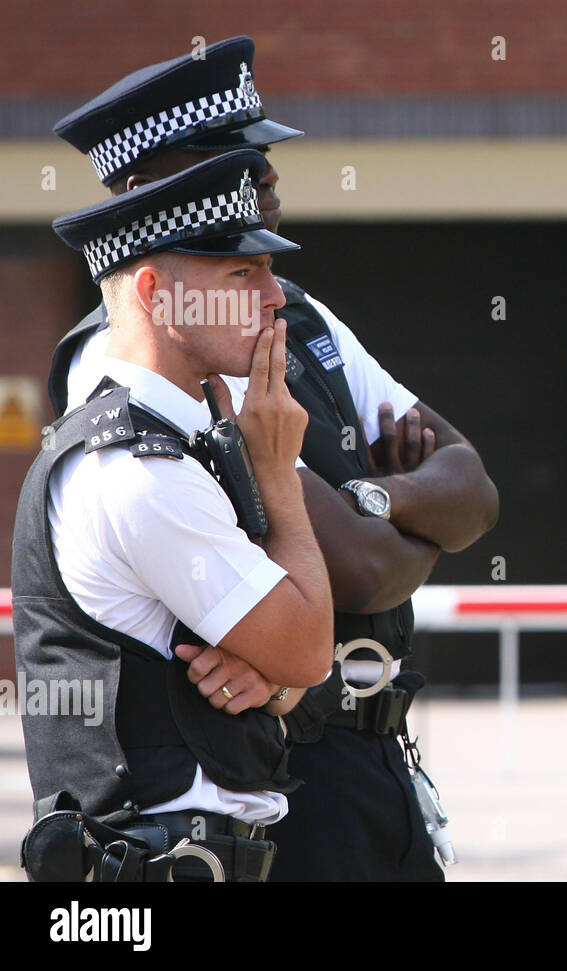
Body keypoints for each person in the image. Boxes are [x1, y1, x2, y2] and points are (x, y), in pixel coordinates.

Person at [49, 35, 499, 880]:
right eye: (236, 160)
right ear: (151, 193)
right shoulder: (125, 365)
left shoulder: (297, 313)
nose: (268, 183)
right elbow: (361, 572)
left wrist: (366, 495)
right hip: (283, 777)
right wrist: (405, 509)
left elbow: (474, 489)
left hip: (377, 754)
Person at [15, 150, 333, 882]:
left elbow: (291, 665)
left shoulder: (182, 441)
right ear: (157, 294)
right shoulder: (140, 470)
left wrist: (276, 678)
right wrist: (280, 477)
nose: (275, 296)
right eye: (242, 275)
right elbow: (311, 646)